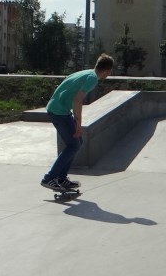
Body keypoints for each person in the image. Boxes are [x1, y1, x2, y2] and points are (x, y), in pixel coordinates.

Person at [41, 54, 115, 193]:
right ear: (107, 70)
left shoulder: (86, 72)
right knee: (74, 145)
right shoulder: (92, 79)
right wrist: (78, 124)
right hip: (59, 111)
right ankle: (49, 178)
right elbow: (77, 100)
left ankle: (61, 179)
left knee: (76, 143)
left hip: (57, 108)